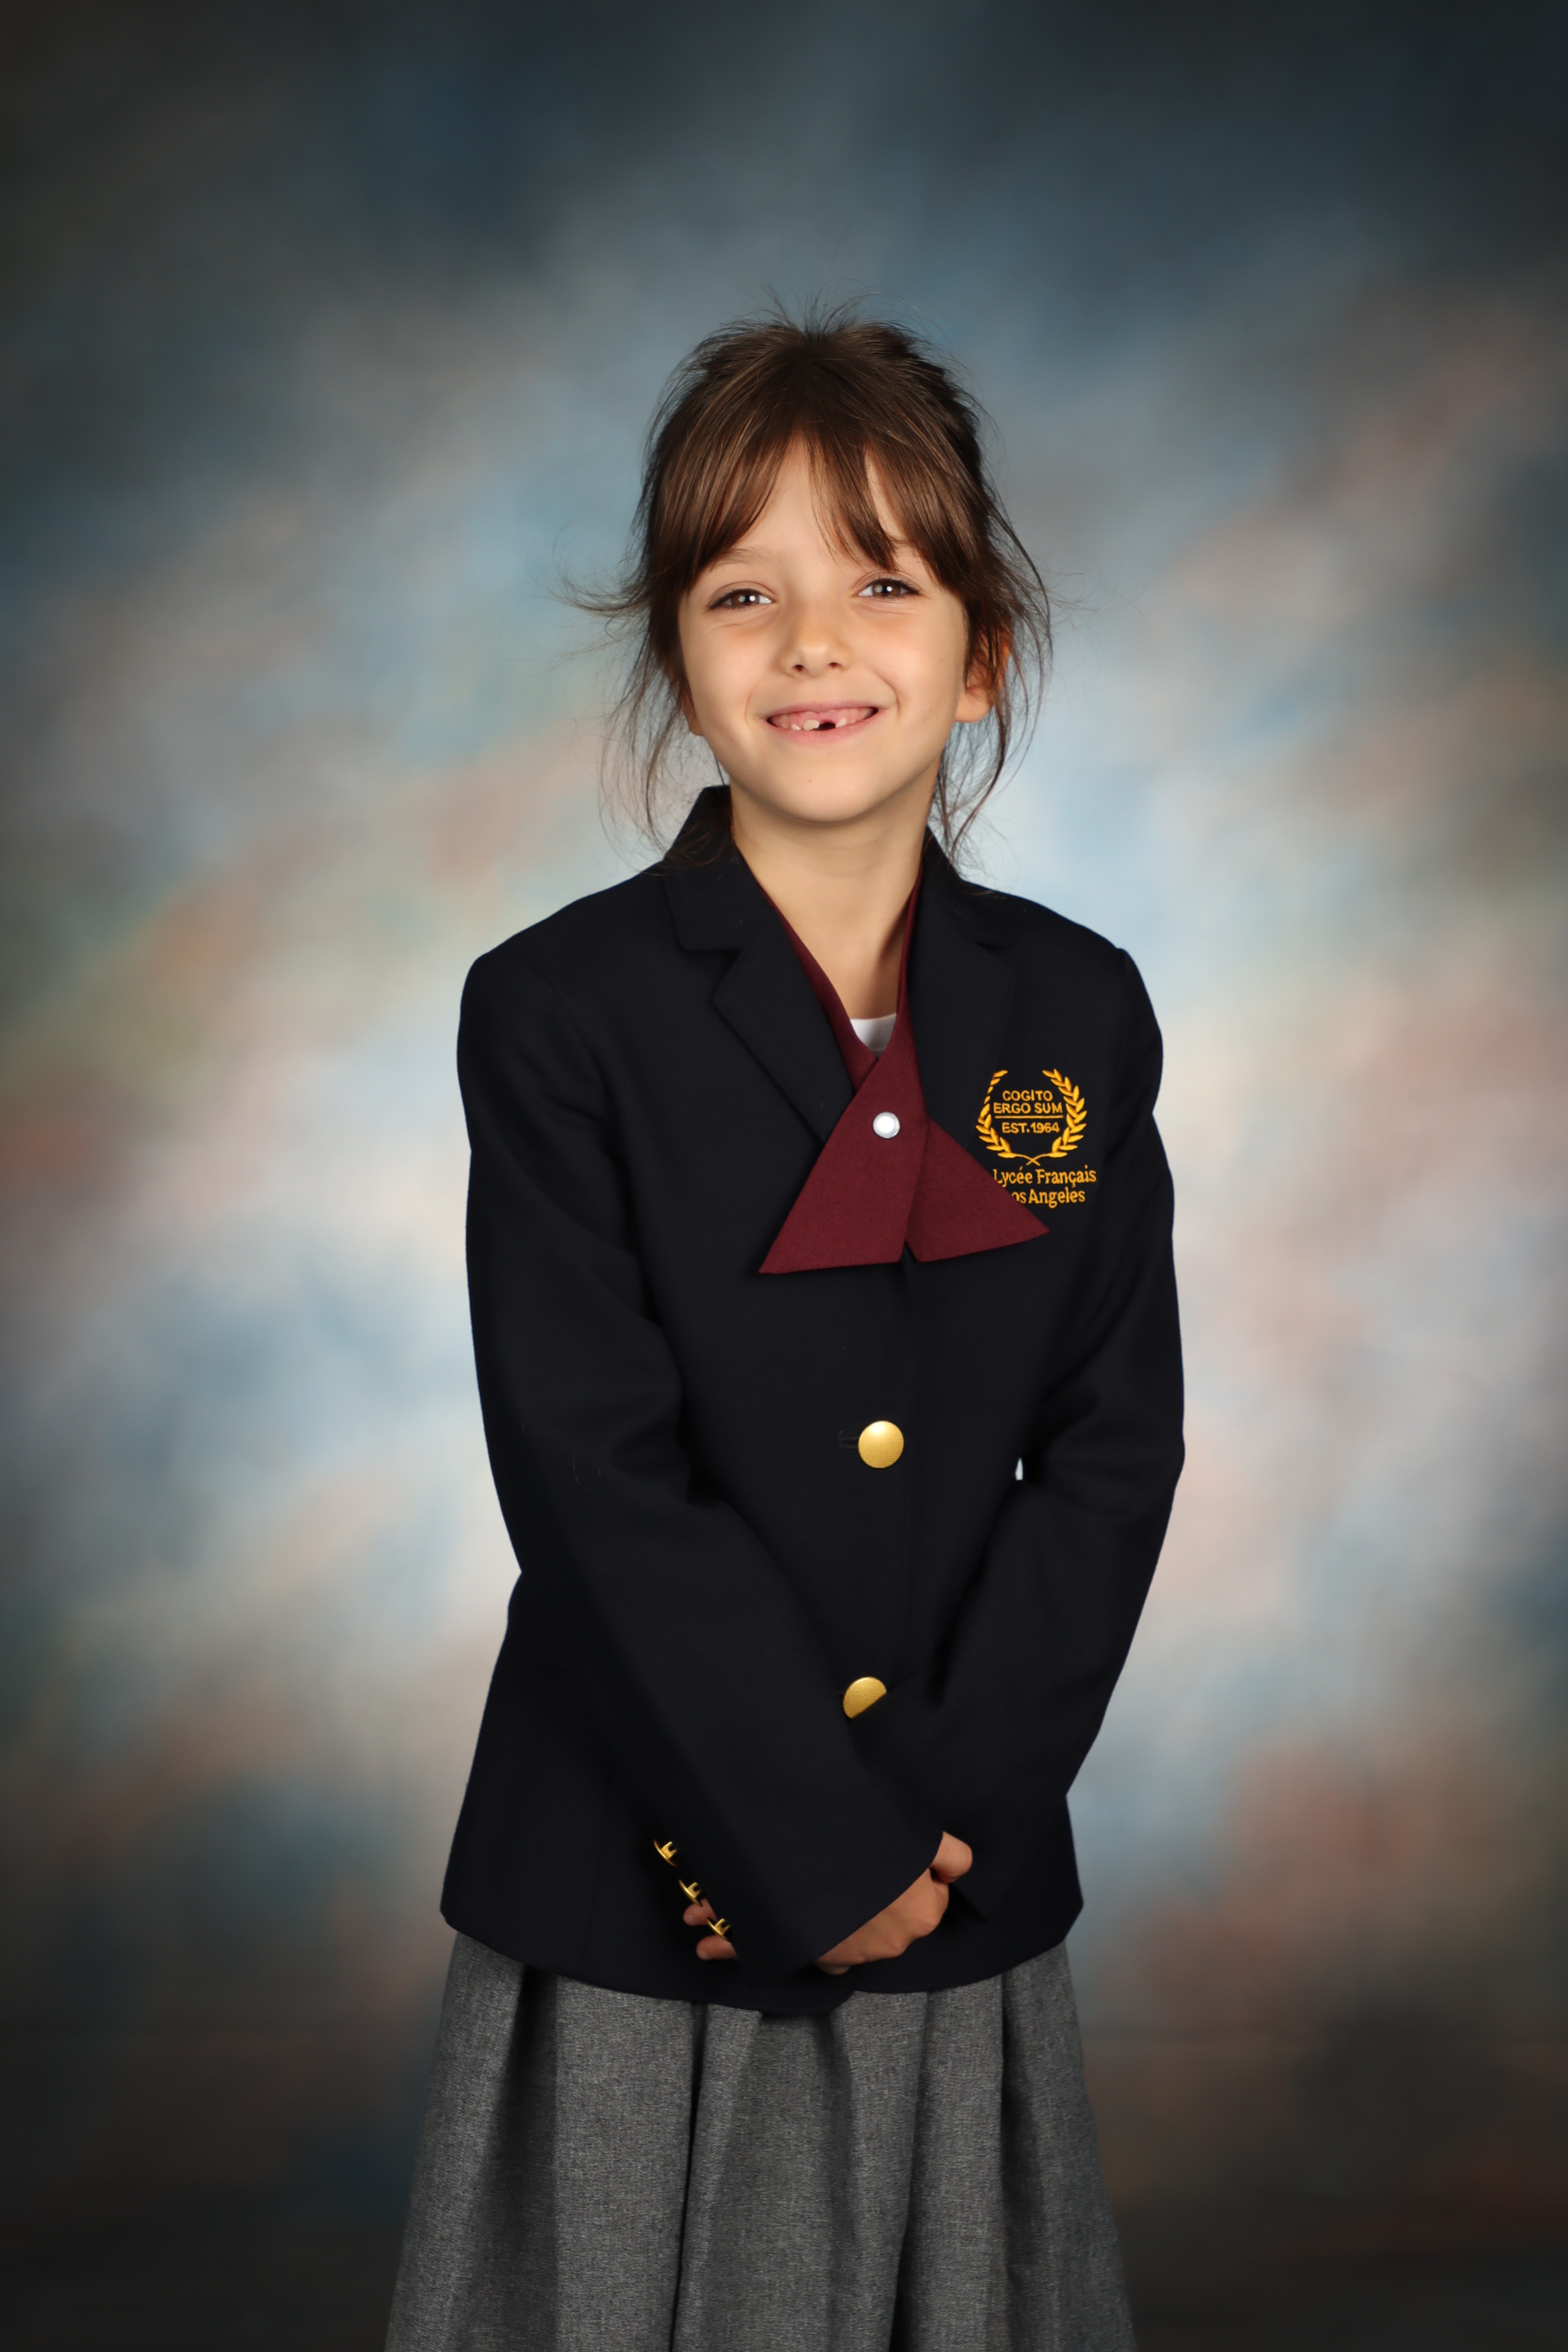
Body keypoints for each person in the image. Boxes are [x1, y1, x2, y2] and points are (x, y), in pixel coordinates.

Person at [385, 307, 1183, 2352]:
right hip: (639, 1876)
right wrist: (794, 1837)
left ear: (981, 653)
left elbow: (1110, 1450)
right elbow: (590, 1474)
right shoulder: (557, 1012)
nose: (813, 641)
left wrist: (931, 1828)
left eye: (882, 584)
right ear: (679, 659)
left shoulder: (1078, 1012)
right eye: (744, 592)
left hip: (956, 1860)